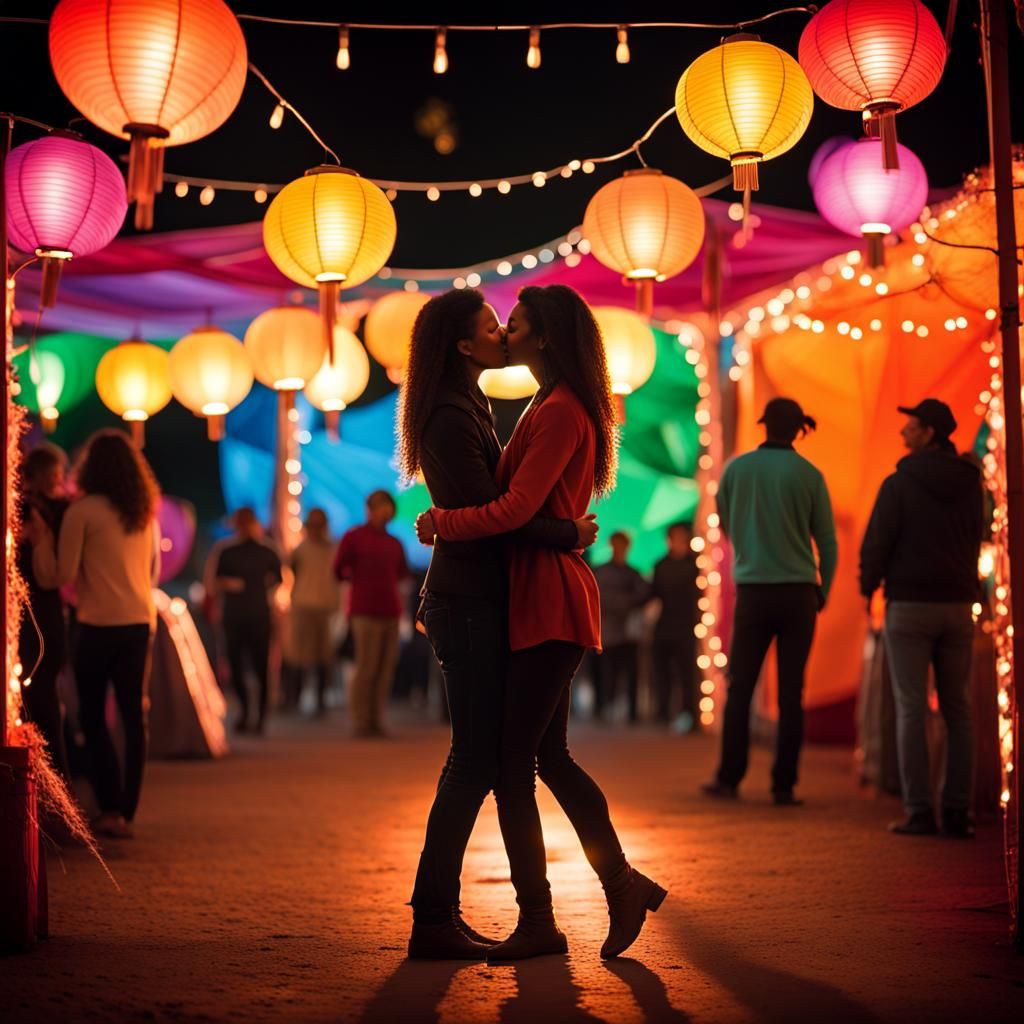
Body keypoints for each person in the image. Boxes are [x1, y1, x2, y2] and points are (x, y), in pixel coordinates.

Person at [418, 285, 666, 962]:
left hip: (548, 596)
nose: (505, 331)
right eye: (497, 324)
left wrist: (441, 523)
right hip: (538, 593)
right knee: (546, 756)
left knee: (512, 764)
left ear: (545, 337)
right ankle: (620, 886)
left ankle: (540, 919)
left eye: (515, 323)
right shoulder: (545, 403)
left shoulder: (556, 410)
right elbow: (524, 508)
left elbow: (513, 509)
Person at [396, 287, 592, 960]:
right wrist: (567, 532)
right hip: (466, 600)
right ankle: (432, 918)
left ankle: (441, 916)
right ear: (461, 345)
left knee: (485, 759)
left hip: (477, 598)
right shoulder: (450, 416)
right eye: (490, 327)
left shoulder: (471, 402)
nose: (503, 334)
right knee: (473, 760)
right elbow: (499, 514)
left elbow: (499, 506)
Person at [702, 397, 837, 806]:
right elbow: (827, 541)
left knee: (740, 686)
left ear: (764, 425)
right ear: (799, 430)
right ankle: (783, 785)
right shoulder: (810, 475)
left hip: (754, 592)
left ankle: (729, 778)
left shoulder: (735, 470)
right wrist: (823, 590)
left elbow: (726, 524)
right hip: (799, 594)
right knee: (791, 693)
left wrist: (751, 547)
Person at [860, 399, 984, 838]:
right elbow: (978, 536)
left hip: (910, 606)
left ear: (929, 432)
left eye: (910, 426)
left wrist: (868, 586)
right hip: (957, 605)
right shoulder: (971, 483)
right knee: (958, 708)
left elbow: (878, 541)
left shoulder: (899, 483)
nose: (903, 433)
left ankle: (919, 811)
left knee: (911, 708)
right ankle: (957, 811)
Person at [31, 430, 161, 839]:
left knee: (92, 715)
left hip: (97, 624)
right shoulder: (144, 514)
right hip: (139, 621)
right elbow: (153, 573)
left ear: (90, 468)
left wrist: (41, 541)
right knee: (133, 716)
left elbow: (59, 575)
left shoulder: (82, 512)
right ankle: (128, 809)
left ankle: (109, 805)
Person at [333, 490, 409, 738]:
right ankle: (361, 719)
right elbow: (338, 569)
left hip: (390, 611)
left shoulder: (395, 543)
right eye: (380, 506)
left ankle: (376, 718)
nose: (384, 512)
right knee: (366, 666)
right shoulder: (354, 537)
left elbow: (402, 575)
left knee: (385, 668)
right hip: (363, 611)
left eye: (388, 507)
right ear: (370, 509)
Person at [17, 443, 71, 779]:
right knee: (44, 693)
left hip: (36, 608)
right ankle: (55, 772)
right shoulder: (61, 511)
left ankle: (49, 770)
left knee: (39, 691)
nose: (57, 479)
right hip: (43, 608)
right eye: (53, 473)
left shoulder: (55, 510)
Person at [213, 508, 282, 735]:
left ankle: (260, 716)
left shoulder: (266, 551)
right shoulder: (227, 551)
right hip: (235, 616)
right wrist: (229, 585)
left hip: (258, 616)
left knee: (261, 667)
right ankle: (245, 711)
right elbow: (216, 580)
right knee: (235, 666)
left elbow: (278, 578)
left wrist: (263, 589)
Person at [287, 508, 340, 717]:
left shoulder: (332, 549)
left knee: (323, 657)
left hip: (325, 608)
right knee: (301, 655)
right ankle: (295, 698)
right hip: (304, 606)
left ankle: (319, 701)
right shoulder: (301, 550)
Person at [592, 531, 650, 723]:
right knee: (605, 673)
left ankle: (629, 711)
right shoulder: (602, 572)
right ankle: (603, 707)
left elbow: (645, 594)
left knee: (629, 673)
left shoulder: (632, 573)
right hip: (606, 632)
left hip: (625, 633)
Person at [651, 521, 700, 729]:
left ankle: (689, 713)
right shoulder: (661, 565)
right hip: (665, 625)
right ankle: (663, 713)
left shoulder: (696, 564)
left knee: (687, 673)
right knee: (662, 672)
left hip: (687, 625)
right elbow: (653, 593)